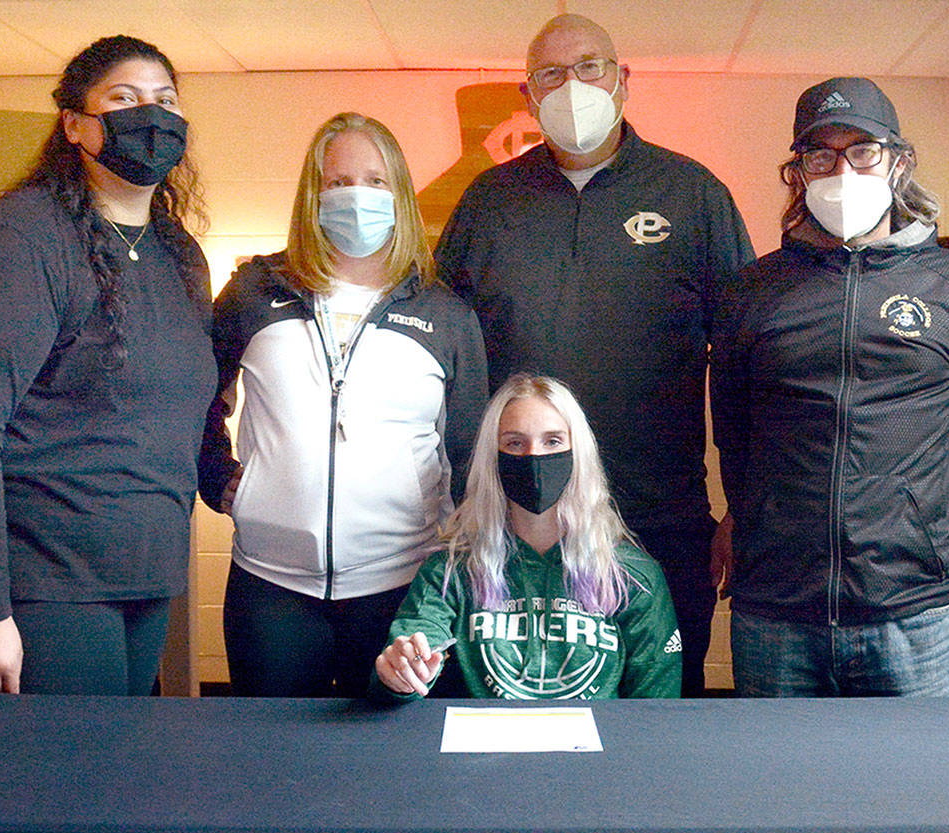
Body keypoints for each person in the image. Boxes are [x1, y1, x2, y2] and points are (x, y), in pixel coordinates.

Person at [435, 14, 755, 696]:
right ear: (527, 98)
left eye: (589, 67)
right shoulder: (489, 204)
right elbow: (443, 358)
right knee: (515, 705)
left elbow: (743, 360)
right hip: (520, 521)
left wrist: (743, 501)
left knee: (662, 714)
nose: (572, 86)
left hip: (659, 517)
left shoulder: (693, 195)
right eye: (550, 74)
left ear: (622, 80)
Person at [0, 35, 216, 695]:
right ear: (74, 124)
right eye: (125, 99)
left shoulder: (178, 253)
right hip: (48, 578)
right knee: (70, 785)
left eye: (165, 101)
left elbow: (189, 410)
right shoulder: (22, 239)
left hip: (148, 574)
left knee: (120, 779)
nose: (152, 116)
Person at [709, 76, 949, 697]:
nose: (841, 170)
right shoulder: (753, 291)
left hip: (914, 613)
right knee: (777, 790)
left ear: (898, 163)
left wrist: (934, 530)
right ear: (797, 172)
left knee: (917, 790)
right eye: (821, 154)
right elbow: (733, 435)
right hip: (776, 611)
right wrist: (760, 521)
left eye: (862, 151)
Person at [198, 113, 488, 697]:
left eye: (376, 181)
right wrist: (215, 474)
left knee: (391, 765)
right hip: (270, 588)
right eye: (337, 181)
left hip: (402, 587)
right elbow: (194, 397)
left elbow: (469, 452)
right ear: (314, 194)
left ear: (400, 195)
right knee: (274, 759)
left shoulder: (445, 314)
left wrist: (466, 573)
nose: (356, 194)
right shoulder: (256, 294)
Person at [374, 374, 681, 700]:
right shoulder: (450, 569)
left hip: (594, 747)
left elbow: (656, 708)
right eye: (515, 443)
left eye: (553, 441)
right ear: (493, 457)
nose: (534, 457)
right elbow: (410, 654)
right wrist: (401, 673)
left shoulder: (633, 575)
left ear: (579, 453)